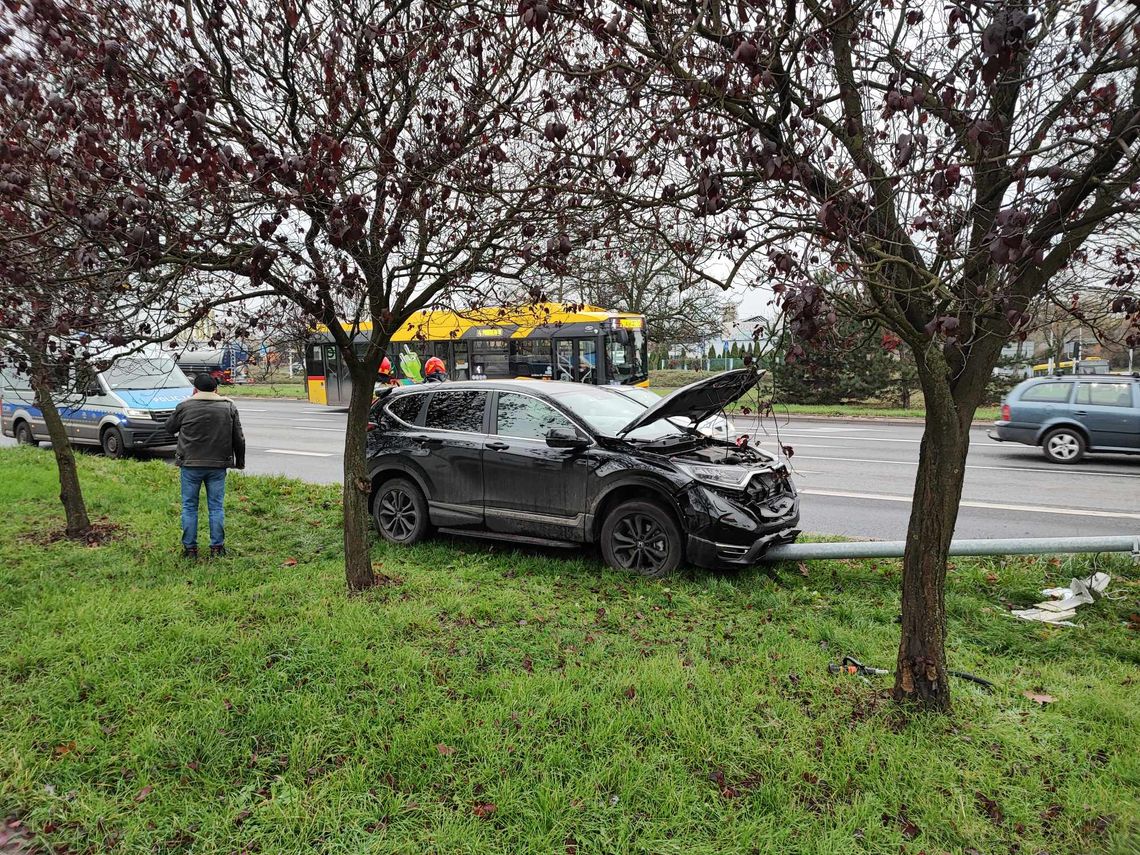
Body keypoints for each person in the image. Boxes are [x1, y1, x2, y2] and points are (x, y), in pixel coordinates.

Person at [166, 373, 246, 559]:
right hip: (218, 465)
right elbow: (239, 438)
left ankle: (190, 549)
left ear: (195, 389)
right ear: (216, 390)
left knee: (189, 507)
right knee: (216, 507)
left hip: (190, 464)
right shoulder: (228, 407)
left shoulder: (185, 406)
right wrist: (239, 462)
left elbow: (169, 428)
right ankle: (217, 548)